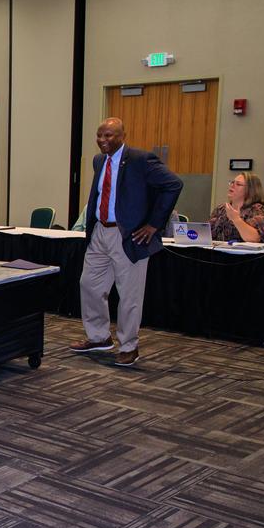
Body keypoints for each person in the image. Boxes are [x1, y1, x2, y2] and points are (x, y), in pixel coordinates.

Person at [71, 117, 182, 366]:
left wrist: (154, 225)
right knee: (88, 284)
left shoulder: (142, 160)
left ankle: (129, 345)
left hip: (128, 235)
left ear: (123, 136)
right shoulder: (99, 160)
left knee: (129, 294)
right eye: (99, 135)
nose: (102, 140)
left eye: (108, 135)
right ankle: (99, 337)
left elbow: (173, 184)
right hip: (100, 231)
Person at [209, 172, 264, 242]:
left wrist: (236, 219)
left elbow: (254, 239)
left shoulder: (257, 210)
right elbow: (207, 233)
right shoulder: (221, 209)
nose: (232, 185)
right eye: (232, 182)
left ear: (250, 190)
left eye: (238, 184)